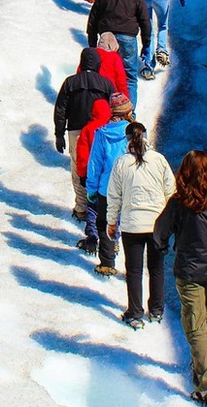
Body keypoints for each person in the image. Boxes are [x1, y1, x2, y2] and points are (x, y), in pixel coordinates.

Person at [153, 151, 207, 405]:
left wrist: (159, 250)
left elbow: (160, 231)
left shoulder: (177, 203)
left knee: (196, 327)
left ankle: (206, 386)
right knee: (205, 323)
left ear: (185, 173)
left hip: (189, 273)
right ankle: (202, 367)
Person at [107, 122, 175, 329]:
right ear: (145, 136)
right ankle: (156, 310)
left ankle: (135, 313)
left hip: (132, 225)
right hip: (156, 224)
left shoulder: (121, 163)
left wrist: (111, 221)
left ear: (127, 139)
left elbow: (114, 196)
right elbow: (170, 191)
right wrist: (168, 220)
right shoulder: (159, 160)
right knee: (156, 268)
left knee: (134, 270)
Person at [54, 48, 114, 222]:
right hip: (101, 132)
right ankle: (101, 206)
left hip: (76, 131)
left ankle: (81, 208)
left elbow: (60, 109)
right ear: (97, 63)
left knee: (77, 168)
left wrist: (59, 134)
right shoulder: (106, 83)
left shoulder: (70, 83)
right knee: (100, 168)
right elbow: (114, 108)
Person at [86, 0, 151, 111]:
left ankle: (106, 113)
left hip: (106, 38)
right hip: (128, 37)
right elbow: (145, 20)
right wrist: (146, 43)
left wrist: (92, 45)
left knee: (105, 76)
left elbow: (92, 21)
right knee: (129, 77)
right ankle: (129, 115)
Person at [85, 92, 134, 276]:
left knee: (105, 222)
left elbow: (94, 165)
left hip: (106, 189)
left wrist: (91, 190)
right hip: (129, 186)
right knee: (127, 221)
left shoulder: (102, 134)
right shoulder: (134, 133)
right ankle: (129, 262)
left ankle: (107, 263)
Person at [74, 98, 112, 255]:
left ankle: (92, 238)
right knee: (111, 211)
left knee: (92, 208)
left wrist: (82, 174)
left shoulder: (88, 129)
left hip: (92, 176)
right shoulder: (112, 128)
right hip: (111, 178)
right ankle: (112, 240)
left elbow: (82, 155)